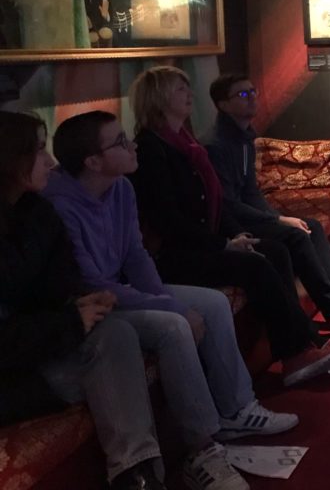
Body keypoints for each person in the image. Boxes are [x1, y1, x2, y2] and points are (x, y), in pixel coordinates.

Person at [46, 110, 303, 488]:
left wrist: (165, 297)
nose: (132, 145)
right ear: (93, 161)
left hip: (119, 289)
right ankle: (201, 445)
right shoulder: (59, 205)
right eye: (120, 141)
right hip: (94, 304)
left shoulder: (121, 187)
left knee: (213, 304)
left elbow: (136, 256)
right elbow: (91, 283)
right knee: (174, 325)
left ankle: (236, 410)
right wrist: (173, 308)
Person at [0, 111, 249, 490]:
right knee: (158, 329)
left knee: (120, 332)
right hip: (15, 373)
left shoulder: (38, 212)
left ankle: (144, 471)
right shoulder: (57, 204)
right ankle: (183, 453)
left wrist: (82, 306)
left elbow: (81, 276)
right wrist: (74, 315)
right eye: (37, 151)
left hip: (50, 337)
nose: (49, 161)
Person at [127, 66, 330, 387]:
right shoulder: (153, 149)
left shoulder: (185, 143)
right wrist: (225, 244)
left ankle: (304, 343)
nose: (190, 94)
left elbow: (216, 203)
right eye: (180, 89)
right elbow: (169, 220)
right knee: (257, 264)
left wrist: (236, 234)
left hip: (202, 241)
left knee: (275, 250)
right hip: (175, 254)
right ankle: (296, 351)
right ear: (159, 97)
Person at [204, 72, 330, 337]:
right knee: (296, 234)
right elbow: (228, 204)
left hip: (249, 215)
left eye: (253, 92)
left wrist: (276, 217)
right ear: (223, 104)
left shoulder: (244, 138)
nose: (252, 98)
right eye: (243, 94)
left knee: (312, 226)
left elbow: (251, 192)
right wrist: (278, 220)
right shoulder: (216, 145)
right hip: (234, 225)